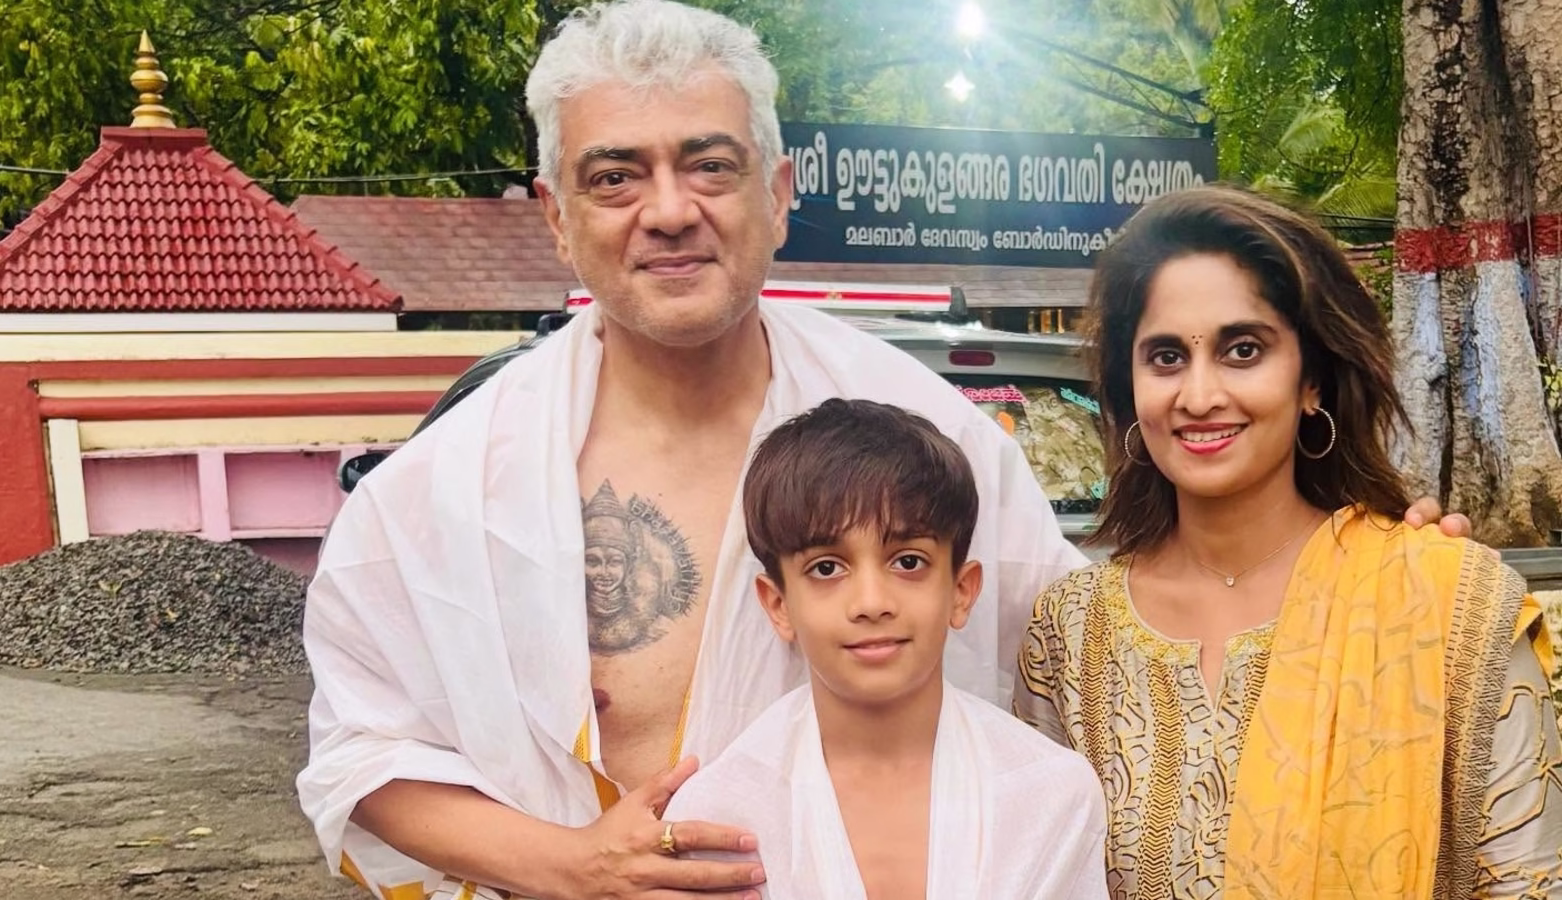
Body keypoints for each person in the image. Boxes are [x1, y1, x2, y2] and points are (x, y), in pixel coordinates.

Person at [296, 2, 1467, 898]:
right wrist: (563, 864)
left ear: (778, 192)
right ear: (556, 213)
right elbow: (360, 747)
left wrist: (1359, 580)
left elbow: (1104, 647)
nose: (669, 208)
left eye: (709, 163)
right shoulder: (449, 488)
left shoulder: (925, 432)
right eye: (616, 176)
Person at [1014, 185, 1562, 899]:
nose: (1199, 395)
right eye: (1166, 357)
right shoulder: (1070, 634)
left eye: (1243, 350)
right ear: (1129, 387)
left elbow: (1528, 885)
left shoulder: (1446, 606)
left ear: (1312, 382)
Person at [663, 398, 1110, 899]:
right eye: (827, 568)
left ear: (961, 591)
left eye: (908, 562)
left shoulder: (1049, 793)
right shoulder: (721, 816)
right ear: (778, 604)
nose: (872, 603)